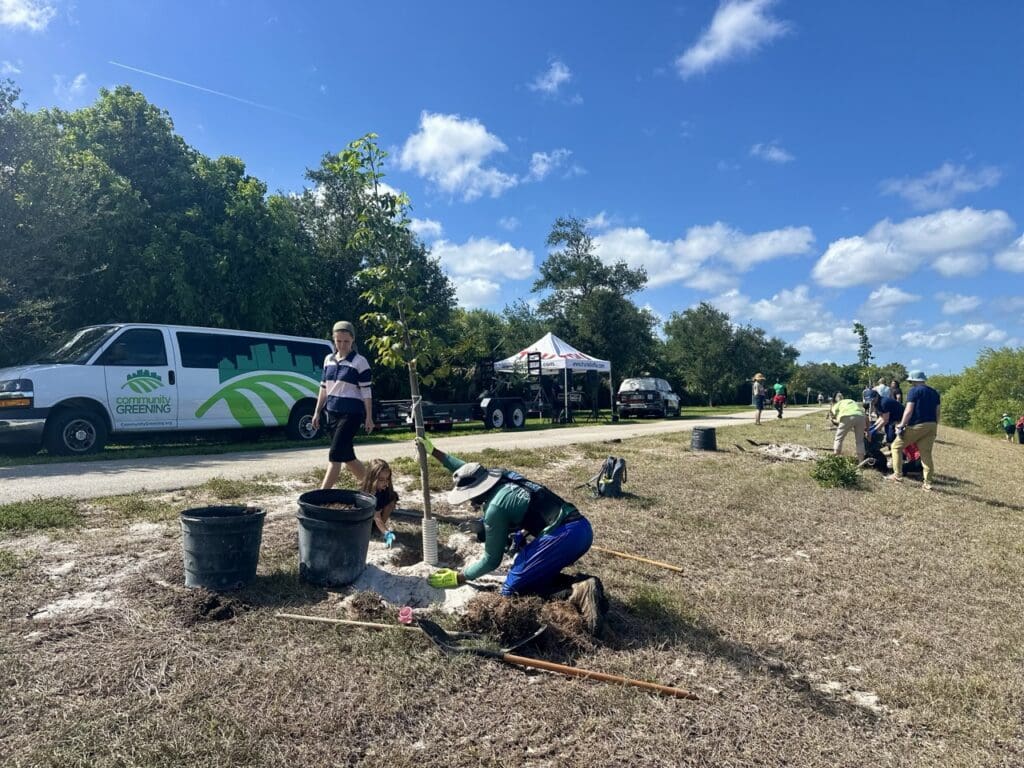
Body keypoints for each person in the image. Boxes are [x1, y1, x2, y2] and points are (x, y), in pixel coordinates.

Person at [417, 434, 606, 633]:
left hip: (563, 537)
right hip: (581, 527)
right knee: (532, 570)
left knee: (512, 588)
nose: (471, 502)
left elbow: (492, 560)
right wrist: (434, 451)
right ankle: (568, 583)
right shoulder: (506, 476)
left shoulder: (494, 509)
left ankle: (576, 590)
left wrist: (459, 577)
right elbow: (466, 470)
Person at [311, 321, 375, 488]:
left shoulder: (360, 362)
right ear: (333, 340)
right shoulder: (328, 360)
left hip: (351, 414)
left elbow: (366, 392)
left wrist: (369, 417)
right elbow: (324, 388)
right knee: (348, 458)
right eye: (338, 341)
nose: (342, 345)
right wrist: (317, 412)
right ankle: (378, 489)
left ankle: (321, 497)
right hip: (331, 412)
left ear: (352, 340)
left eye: (346, 341)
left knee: (335, 455)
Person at [889, 370, 940, 491]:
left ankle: (897, 476)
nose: (911, 383)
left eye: (911, 381)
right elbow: (938, 412)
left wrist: (901, 425)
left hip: (917, 424)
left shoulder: (914, 391)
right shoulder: (934, 392)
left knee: (896, 447)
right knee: (926, 454)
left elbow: (909, 410)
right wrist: (934, 425)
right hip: (932, 425)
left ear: (914, 381)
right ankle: (927, 483)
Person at [362, 458, 398, 546]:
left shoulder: (383, 490)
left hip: (375, 521)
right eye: (381, 480)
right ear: (372, 479)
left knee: (391, 499)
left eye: (387, 479)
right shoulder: (370, 495)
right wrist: (387, 533)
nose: (385, 482)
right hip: (364, 525)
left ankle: (378, 529)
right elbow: (377, 517)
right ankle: (376, 531)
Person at [829, 393, 866, 461]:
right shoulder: (851, 400)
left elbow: (837, 419)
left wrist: (833, 420)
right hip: (860, 416)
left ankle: (836, 457)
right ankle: (861, 460)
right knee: (860, 441)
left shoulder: (836, 405)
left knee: (839, 438)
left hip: (847, 416)